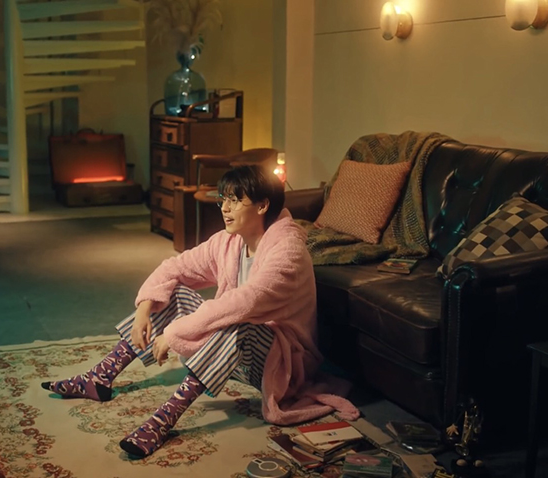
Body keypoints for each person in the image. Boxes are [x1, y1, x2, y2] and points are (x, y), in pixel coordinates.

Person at [42, 164, 359, 458]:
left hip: (285, 365)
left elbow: (245, 303)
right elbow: (175, 268)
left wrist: (173, 333)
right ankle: (100, 378)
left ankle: (164, 420)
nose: (224, 208)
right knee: (175, 292)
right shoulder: (228, 242)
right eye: (223, 199)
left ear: (263, 205)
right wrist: (144, 308)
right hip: (242, 357)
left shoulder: (288, 250)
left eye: (235, 200)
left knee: (237, 322)